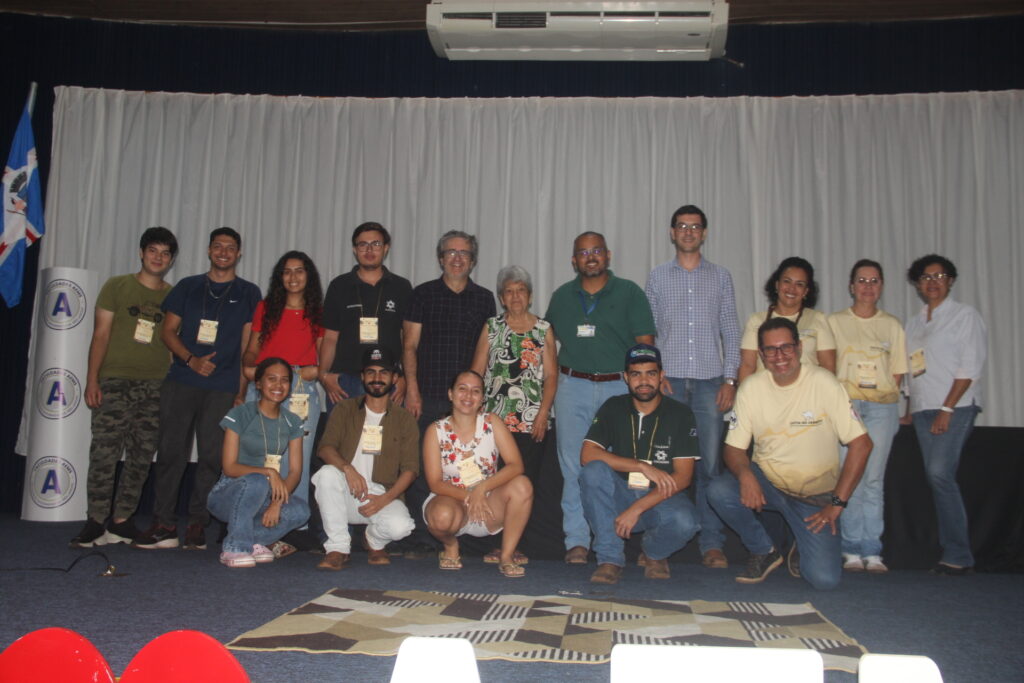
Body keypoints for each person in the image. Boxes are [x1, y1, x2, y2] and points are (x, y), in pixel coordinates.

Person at [708, 318, 872, 590]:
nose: (779, 356)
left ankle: (800, 541)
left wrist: (837, 504)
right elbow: (733, 448)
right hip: (769, 483)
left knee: (824, 580)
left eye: (786, 347)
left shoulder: (824, 383)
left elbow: (862, 444)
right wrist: (746, 474)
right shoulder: (751, 388)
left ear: (799, 348)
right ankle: (764, 549)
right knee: (719, 490)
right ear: (761, 355)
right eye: (770, 350)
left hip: (814, 498)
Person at [135, 227, 261, 550]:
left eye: (230, 247)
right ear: (208, 250)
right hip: (182, 381)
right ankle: (163, 522)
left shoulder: (249, 292)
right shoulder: (187, 286)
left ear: (239, 253)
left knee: (211, 457)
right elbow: (167, 331)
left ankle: (196, 523)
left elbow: (248, 346)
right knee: (171, 453)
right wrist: (191, 360)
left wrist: (241, 390)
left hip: (224, 387)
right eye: (218, 246)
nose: (223, 252)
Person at [545, 232, 655, 565]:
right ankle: (577, 540)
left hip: (618, 388)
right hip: (572, 386)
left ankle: (624, 540)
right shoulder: (562, 296)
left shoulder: (630, 292)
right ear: (573, 260)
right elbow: (546, 342)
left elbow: (645, 344)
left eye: (596, 251)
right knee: (572, 465)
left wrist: (644, 387)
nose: (590, 257)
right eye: (583, 252)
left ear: (607, 255)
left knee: (628, 464)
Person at [644, 204, 740, 570]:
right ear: (672, 233)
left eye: (695, 226)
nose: (688, 232)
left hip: (710, 384)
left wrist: (730, 379)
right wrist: (654, 374)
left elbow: (731, 331)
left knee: (710, 469)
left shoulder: (721, 277)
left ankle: (711, 544)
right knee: (662, 464)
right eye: (682, 226)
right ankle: (659, 545)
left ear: (704, 233)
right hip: (668, 385)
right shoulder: (657, 277)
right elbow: (648, 332)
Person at [70, 227, 178, 547]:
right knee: (104, 452)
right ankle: (95, 521)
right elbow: (100, 335)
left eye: (165, 253)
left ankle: (122, 520)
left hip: (156, 384)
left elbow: (173, 344)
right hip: (114, 381)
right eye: (153, 251)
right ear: (141, 253)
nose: (158, 257)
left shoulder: (174, 296)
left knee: (141, 456)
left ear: (171, 260)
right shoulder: (116, 286)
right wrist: (92, 379)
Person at [579, 344, 700, 585]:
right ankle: (610, 559)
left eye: (650, 373)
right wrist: (641, 466)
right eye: (636, 374)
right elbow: (587, 455)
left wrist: (637, 508)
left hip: (659, 497)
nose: (643, 381)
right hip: (620, 493)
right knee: (592, 472)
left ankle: (654, 553)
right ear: (626, 377)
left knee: (687, 522)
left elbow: (684, 477)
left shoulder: (681, 414)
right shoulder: (614, 406)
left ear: (661, 376)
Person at [903, 254, 986, 575]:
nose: (932, 282)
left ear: (950, 281)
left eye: (939, 276)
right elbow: (913, 370)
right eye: (926, 277)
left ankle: (959, 555)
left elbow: (970, 366)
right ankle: (953, 552)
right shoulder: (914, 322)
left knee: (939, 473)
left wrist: (947, 408)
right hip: (923, 409)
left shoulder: (965, 316)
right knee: (936, 477)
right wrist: (909, 411)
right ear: (917, 284)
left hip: (956, 406)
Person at [828, 260, 906, 573]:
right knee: (849, 478)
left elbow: (897, 372)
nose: (867, 287)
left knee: (873, 479)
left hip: (881, 408)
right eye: (862, 280)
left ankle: (872, 550)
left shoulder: (892, 325)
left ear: (881, 286)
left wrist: (882, 398)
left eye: (874, 281)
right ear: (851, 286)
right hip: (847, 407)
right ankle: (850, 549)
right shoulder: (834, 322)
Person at [312, 347, 419, 570]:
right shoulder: (344, 409)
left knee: (401, 527)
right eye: (371, 372)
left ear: (394, 378)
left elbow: (410, 469)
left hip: (382, 494)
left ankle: (374, 540)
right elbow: (325, 448)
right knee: (326, 474)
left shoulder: (404, 419)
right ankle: (338, 548)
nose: (377, 378)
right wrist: (347, 469)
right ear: (362, 377)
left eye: (383, 372)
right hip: (347, 489)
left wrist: (386, 498)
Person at [422, 370, 534, 577]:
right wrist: (470, 496)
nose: (468, 396)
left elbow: (516, 465)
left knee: (522, 485)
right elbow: (435, 483)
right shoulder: (435, 430)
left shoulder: (492, 422)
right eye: (462, 389)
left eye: (475, 391)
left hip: (488, 503)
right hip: (451, 499)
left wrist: (481, 489)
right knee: (440, 518)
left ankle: (506, 556)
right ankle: (451, 546)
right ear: (450, 394)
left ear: (482, 398)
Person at [207, 357, 309, 567]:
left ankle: (251, 540)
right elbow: (229, 467)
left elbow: (295, 472)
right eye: (271, 379)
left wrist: (276, 503)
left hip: (267, 495)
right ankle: (235, 548)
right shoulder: (240, 413)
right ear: (259, 384)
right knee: (257, 481)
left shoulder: (293, 421)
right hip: (230, 492)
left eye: (284, 380)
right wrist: (269, 473)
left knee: (301, 511)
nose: (278, 385)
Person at [241, 250, 324, 510]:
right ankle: (250, 512)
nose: (293, 277)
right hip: (264, 384)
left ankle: (293, 518)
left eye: (299, 271)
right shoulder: (265, 308)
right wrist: (249, 366)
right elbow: (252, 349)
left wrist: (314, 370)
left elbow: (324, 356)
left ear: (308, 276)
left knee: (297, 457)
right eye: (287, 272)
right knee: (256, 451)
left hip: (300, 387)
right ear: (280, 277)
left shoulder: (319, 313)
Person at [470, 264, 556, 483]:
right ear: (501, 298)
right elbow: (476, 372)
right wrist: (472, 411)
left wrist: (543, 413)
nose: (515, 296)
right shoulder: (491, 327)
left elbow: (551, 376)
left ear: (530, 296)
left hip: (531, 420)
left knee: (525, 480)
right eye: (509, 291)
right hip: (494, 418)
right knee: (491, 477)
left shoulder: (544, 329)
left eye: (521, 290)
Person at [403, 230, 495, 429]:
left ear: (472, 261)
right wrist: (411, 391)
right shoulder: (422, 294)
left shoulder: (485, 299)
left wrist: (477, 397)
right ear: (441, 259)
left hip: (466, 400)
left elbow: (486, 351)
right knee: (421, 449)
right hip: (425, 397)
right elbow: (409, 346)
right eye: (451, 252)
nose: (457, 258)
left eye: (464, 253)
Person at [320, 222, 412, 405]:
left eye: (376, 244)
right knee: (343, 426)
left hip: (389, 381)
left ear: (386, 248)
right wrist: (323, 375)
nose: (369, 250)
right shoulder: (339, 286)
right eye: (363, 244)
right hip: (345, 381)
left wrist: (405, 378)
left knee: (389, 426)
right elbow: (330, 337)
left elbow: (407, 339)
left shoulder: (402, 287)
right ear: (355, 249)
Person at [738, 257, 836, 383]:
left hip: (807, 391)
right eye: (787, 281)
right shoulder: (756, 321)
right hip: (764, 391)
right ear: (777, 285)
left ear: (806, 291)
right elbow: (747, 366)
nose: (791, 288)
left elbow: (828, 368)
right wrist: (743, 392)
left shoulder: (818, 319)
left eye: (799, 284)